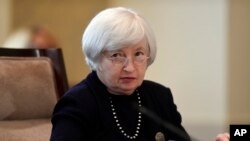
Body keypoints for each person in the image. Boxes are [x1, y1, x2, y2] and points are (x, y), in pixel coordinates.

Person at [50, 7, 229, 141]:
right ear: (95, 57)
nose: (130, 67)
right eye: (117, 55)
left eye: (138, 54)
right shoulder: (77, 103)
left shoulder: (159, 98)